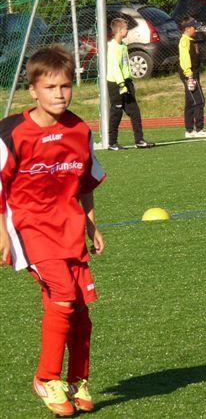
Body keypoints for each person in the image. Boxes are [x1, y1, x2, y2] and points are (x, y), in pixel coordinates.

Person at [0, 45, 106, 416]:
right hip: (28, 226)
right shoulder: (11, 133)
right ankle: (46, 378)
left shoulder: (79, 130)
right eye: (50, 87)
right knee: (63, 293)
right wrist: (2, 233)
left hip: (69, 227)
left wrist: (91, 224)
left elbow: (87, 183)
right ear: (33, 90)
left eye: (65, 86)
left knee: (80, 310)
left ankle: (77, 380)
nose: (59, 94)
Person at [106, 18, 154, 150]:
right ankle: (112, 143)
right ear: (120, 30)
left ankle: (139, 140)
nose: (128, 31)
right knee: (116, 113)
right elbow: (114, 67)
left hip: (126, 82)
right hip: (116, 84)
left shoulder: (123, 46)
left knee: (134, 112)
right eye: (126, 29)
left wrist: (127, 82)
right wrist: (121, 84)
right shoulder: (113, 47)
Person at [179, 17, 206, 138]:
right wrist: (189, 75)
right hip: (190, 74)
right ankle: (199, 128)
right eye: (194, 27)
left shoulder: (191, 40)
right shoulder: (185, 41)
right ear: (187, 29)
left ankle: (189, 130)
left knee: (190, 101)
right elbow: (185, 59)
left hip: (193, 73)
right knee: (199, 100)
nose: (196, 29)